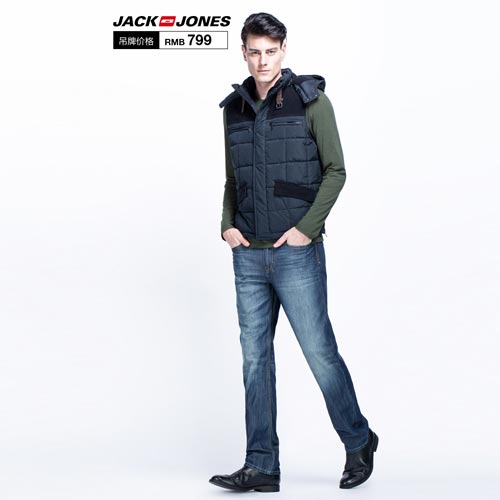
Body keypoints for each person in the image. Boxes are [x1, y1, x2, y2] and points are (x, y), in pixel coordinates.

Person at [209, 12, 378, 492]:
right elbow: (233, 179)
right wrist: (226, 225)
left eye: (271, 51)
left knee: (319, 352)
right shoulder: (233, 110)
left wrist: (306, 229)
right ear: (243, 53)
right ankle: (262, 465)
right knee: (255, 361)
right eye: (254, 52)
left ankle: (358, 440)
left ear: (284, 50)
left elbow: (336, 171)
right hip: (247, 255)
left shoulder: (312, 102)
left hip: (295, 255)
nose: (262, 60)